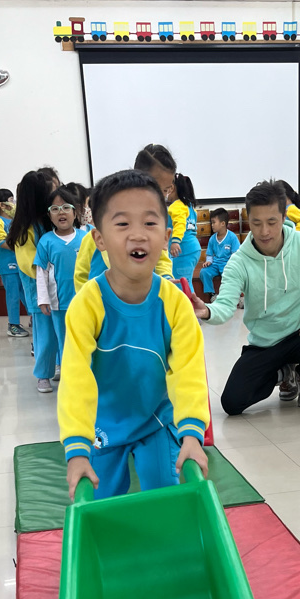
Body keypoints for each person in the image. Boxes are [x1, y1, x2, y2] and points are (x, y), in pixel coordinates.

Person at [58, 169, 209, 501]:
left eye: (150, 223)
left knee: (166, 498)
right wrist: (77, 448)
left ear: (166, 236)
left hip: (155, 420)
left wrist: (192, 434)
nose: (138, 235)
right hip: (102, 425)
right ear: (99, 240)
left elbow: (189, 373)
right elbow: (75, 377)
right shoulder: (87, 305)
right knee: (104, 504)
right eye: (123, 224)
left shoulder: (175, 306)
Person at [191, 179, 300, 413]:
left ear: (284, 217)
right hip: (265, 343)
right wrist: (207, 311)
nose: (264, 232)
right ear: (248, 220)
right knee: (232, 403)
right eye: (256, 223)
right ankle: (283, 374)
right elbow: (226, 305)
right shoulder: (239, 261)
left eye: (272, 222)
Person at [72, 145, 175, 295]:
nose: (156, 196)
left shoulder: (154, 234)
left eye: (164, 191)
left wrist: (166, 278)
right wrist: (86, 300)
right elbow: (81, 276)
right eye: (123, 224)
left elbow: (162, 260)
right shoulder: (92, 239)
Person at [7, 170, 60, 392]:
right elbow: (29, 264)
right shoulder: (24, 229)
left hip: (59, 289)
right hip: (40, 292)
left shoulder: (49, 222)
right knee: (45, 335)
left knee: (60, 331)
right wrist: (54, 270)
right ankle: (43, 374)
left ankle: (59, 365)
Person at [34, 185, 86, 381]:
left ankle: (85, 377)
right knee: (64, 342)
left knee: (85, 340)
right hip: (59, 304)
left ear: (75, 212)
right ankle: (69, 379)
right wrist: (43, 299)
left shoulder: (85, 238)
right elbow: (41, 273)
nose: (61, 212)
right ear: (49, 215)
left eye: (66, 207)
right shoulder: (46, 241)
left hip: (84, 303)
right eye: (55, 209)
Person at [0, 187, 28, 338]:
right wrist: (18, 247)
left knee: (25, 293)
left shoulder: (16, 221)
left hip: (21, 264)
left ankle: (34, 317)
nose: (14, 204)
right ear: (2, 205)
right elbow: (0, 241)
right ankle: (13, 325)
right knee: (13, 295)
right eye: (11, 201)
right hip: (8, 266)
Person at [166, 172, 201, 287]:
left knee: (180, 283)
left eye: (167, 187)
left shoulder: (176, 206)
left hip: (183, 250)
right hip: (193, 249)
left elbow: (180, 224)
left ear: (172, 188)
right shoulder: (189, 206)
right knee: (186, 281)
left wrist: (175, 241)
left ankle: (187, 299)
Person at [200, 208, 240, 302]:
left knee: (230, 275)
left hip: (227, 264)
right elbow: (209, 254)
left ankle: (234, 296)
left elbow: (236, 254)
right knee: (204, 272)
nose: (212, 225)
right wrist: (208, 261)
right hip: (215, 264)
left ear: (222, 223)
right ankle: (212, 294)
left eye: (214, 222)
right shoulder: (212, 239)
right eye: (211, 223)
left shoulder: (232, 237)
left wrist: (232, 266)